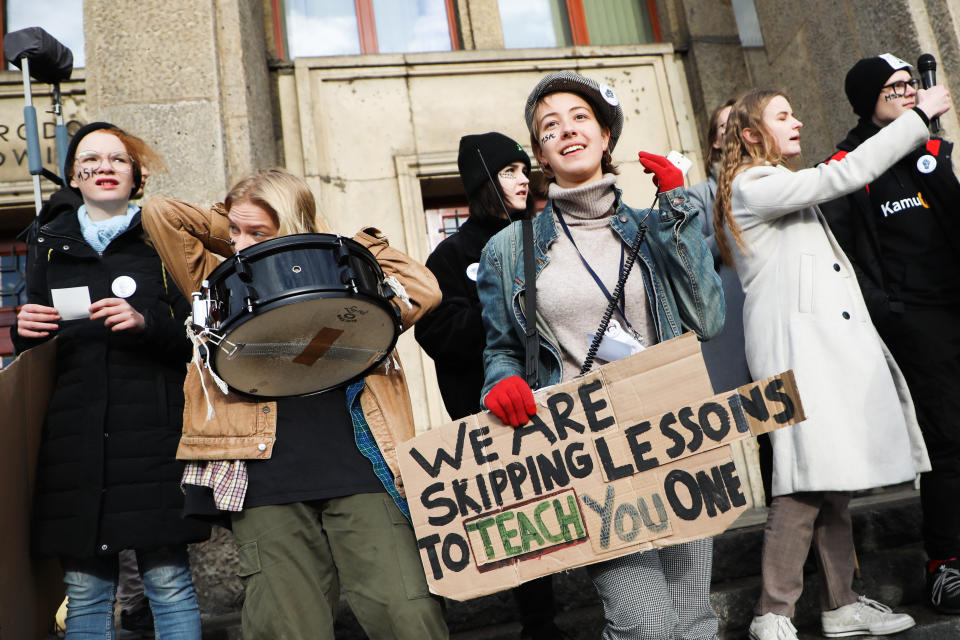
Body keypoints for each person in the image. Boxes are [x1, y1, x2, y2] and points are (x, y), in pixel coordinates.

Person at [140, 168, 448, 640]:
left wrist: (317, 247)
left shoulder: (348, 281)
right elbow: (161, 214)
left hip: (362, 468)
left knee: (408, 617)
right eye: (236, 232)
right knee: (287, 629)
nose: (240, 243)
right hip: (267, 479)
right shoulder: (220, 290)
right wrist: (246, 236)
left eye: (258, 233)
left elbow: (423, 289)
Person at [477, 70, 725, 640]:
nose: (566, 131)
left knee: (693, 620)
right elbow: (501, 349)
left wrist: (679, 213)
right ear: (540, 153)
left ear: (606, 136)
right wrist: (502, 382)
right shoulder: (507, 250)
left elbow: (708, 320)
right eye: (549, 128)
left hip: (675, 435)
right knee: (643, 624)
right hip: (590, 452)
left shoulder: (655, 225)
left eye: (580, 118)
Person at [712, 84, 949, 639]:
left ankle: (841, 603)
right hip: (796, 356)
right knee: (801, 482)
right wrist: (915, 119)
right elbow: (838, 177)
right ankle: (772, 612)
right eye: (783, 116)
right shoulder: (755, 183)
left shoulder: (773, 184)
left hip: (816, 352)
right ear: (750, 136)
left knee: (831, 477)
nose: (797, 123)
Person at [12, 121, 209, 638]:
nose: (104, 167)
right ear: (75, 177)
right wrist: (24, 331)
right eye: (90, 160)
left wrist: (147, 323)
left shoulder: (163, 238)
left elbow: (200, 336)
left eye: (117, 159)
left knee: (169, 585)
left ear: (137, 176)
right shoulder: (47, 242)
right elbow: (37, 344)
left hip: (153, 433)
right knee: (84, 593)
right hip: (74, 440)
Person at [819, 54, 960, 615]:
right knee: (948, 439)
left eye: (909, 85)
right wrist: (889, 311)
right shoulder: (845, 163)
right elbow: (844, 253)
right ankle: (945, 564)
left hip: (953, 304)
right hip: (912, 320)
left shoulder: (929, 151)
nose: (905, 94)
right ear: (866, 100)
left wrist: (934, 157)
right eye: (892, 88)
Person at [415, 132, 565, 640]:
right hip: (497, 414)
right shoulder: (451, 256)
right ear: (484, 183)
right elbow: (436, 332)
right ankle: (539, 626)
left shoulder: (549, 234)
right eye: (509, 172)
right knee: (526, 525)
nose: (525, 178)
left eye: (526, 169)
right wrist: (502, 310)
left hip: (559, 402)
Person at [686, 98, 752, 395]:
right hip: (736, 321)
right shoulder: (699, 195)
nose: (738, 131)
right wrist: (727, 230)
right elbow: (691, 256)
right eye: (729, 125)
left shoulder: (779, 180)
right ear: (715, 141)